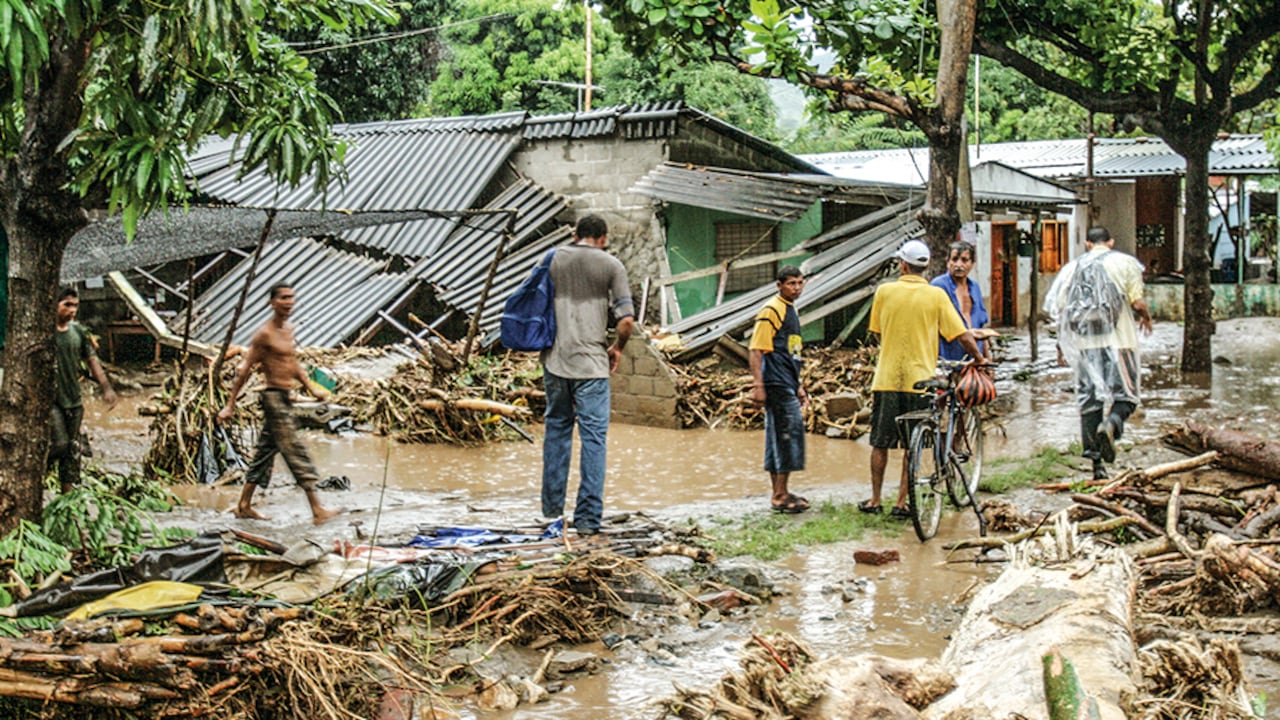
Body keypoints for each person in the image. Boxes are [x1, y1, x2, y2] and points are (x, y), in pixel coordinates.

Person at [861, 239, 982, 518]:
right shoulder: (936, 295)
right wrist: (979, 358)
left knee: (879, 442)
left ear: (902, 265)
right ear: (925, 268)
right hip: (921, 380)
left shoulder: (884, 292)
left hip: (887, 378)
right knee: (911, 445)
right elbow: (962, 334)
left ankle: (875, 499)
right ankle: (902, 503)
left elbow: (877, 332)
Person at [540, 214, 635, 535]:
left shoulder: (551, 260)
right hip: (592, 367)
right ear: (603, 238)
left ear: (574, 234)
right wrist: (618, 348)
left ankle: (551, 513)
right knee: (594, 440)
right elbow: (626, 322)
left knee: (557, 433)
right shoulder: (611, 266)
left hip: (555, 361)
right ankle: (588, 520)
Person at [217, 283, 339, 525]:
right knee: (295, 450)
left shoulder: (288, 330)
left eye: (291, 297)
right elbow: (244, 369)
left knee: (264, 453)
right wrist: (230, 405)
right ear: (271, 302)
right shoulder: (264, 334)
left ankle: (244, 505)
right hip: (273, 399)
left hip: (285, 396)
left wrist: (312, 388)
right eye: (283, 298)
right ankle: (317, 509)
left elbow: (292, 363)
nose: (289, 302)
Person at [1044, 227, 1152, 480]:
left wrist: (1061, 346)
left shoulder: (1071, 268)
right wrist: (1147, 317)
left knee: (1089, 401)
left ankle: (1097, 467)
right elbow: (1137, 302)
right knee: (1127, 395)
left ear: (1088, 243)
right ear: (1111, 241)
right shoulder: (1126, 263)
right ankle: (1112, 423)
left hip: (1084, 345)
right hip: (1120, 342)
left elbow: (1059, 312)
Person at [749, 266, 810, 514]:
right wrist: (758, 385)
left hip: (787, 381)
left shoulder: (789, 310)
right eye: (791, 284)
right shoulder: (771, 310)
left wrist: (799, 385)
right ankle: (779, 494)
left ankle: (781, 491)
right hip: (775, 382)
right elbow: (756, 350)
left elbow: (790, 352)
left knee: (779, 436)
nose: (796, 288)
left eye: (799, 283)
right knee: (787, 435)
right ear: (779, 285)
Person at [51, 288, 118, 493]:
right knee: (60, 444)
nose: (72, 310)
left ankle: (67, 499)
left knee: (72, 449)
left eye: (75, 306)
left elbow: (92, 360)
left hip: (74, 400)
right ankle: (41, 471)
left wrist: (106, 387)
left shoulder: (78, 331)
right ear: (55, 304)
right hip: (52, 401)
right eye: (67, 305)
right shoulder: (44, 331)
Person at [931, 240, 993, 362]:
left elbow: (980, 327)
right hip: (949, 359)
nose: (959, 265)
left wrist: (987, 359)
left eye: (964, 260)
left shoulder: (974, 287)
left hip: (975, 359)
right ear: (948, 261)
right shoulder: (939, 286)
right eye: (954, 260)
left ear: (972, 263)